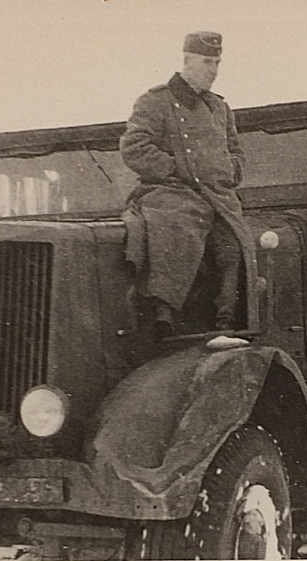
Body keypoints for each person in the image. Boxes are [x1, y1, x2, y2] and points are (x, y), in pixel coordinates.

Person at [120, 31, 249, 337]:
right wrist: (177, 169)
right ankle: (164, 313)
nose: (213, 70)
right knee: (178, 230)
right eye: (206, 62)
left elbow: (235, 151)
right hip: (172, 190)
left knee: (235, 247)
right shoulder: (156, 101)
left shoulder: (220, 108)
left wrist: (229, 171)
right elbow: (134, 147)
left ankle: (226, 324)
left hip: (217, 195)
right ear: (187, 60)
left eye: (217, 63)